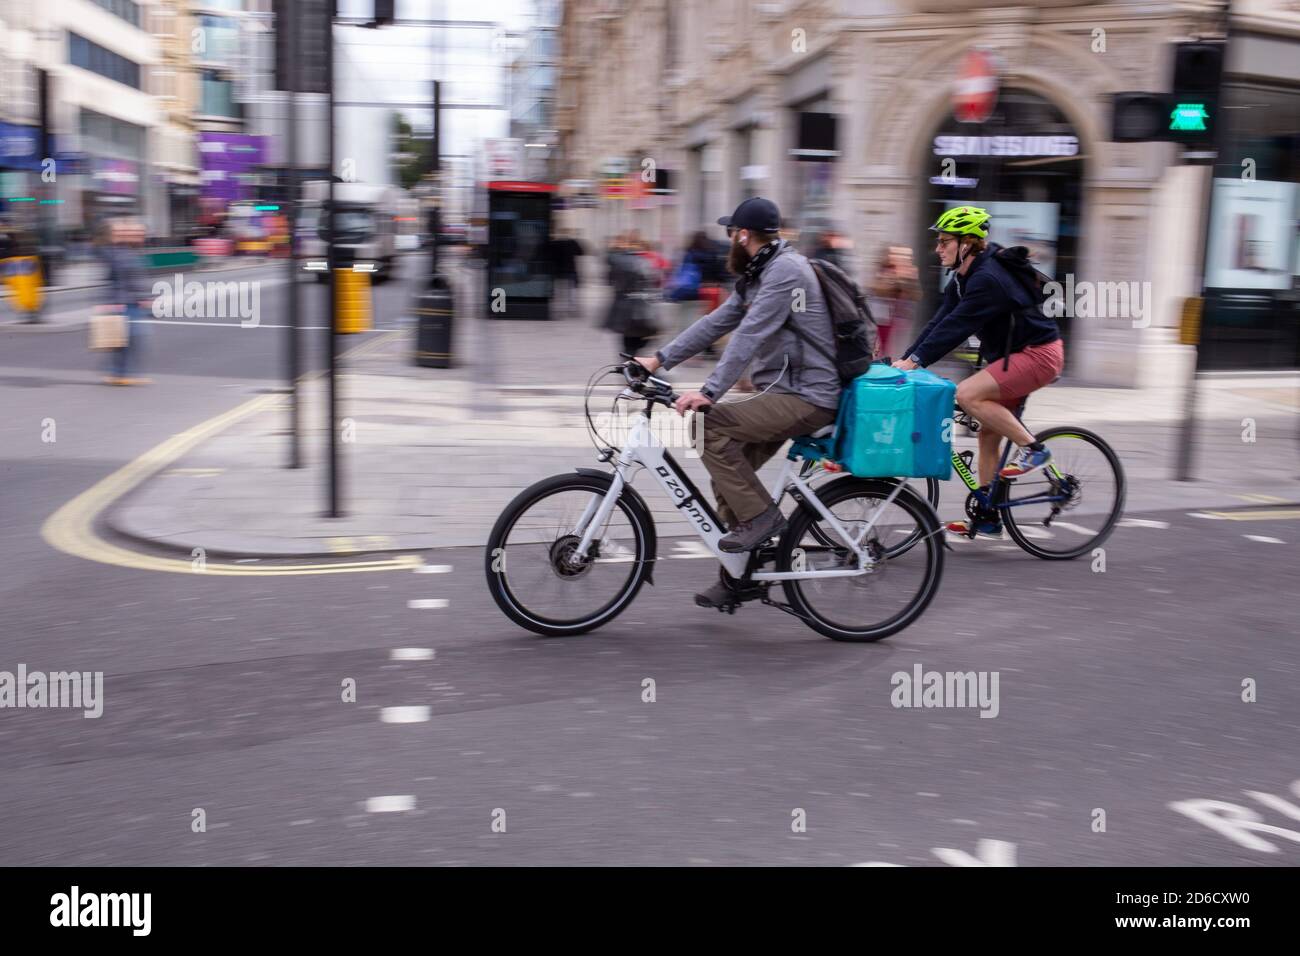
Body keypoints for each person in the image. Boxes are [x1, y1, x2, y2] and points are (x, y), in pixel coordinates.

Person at [633, 197, 840, 609]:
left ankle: (763, 520)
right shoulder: (760, 271)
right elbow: (717, 322)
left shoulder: (785, 272)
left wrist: (709, 393)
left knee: (707, 426)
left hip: (809, 396)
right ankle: (740, 576)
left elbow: (748, 336)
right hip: (782, 392)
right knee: (726, 472)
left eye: (732, 232)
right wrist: (659, 359)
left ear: (742, 235)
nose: (730, 238)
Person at [893, 205, 1063, 538]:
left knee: (967, 394)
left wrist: (915, 362)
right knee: (987, 434)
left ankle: (1035, 450)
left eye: (945, 242)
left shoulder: (987, 279)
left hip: (1039, 354)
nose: (938, 248)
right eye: (939, 242)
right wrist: (907, 358)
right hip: (1014, 357)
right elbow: (939, 321)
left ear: (968, 243)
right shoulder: (962, 278)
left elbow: (958, 326)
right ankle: (987, 517)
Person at [101, 218, 153, 386]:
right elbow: (122, 279)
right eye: (136, 232)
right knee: (128, 339)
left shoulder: (129, 251)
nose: (140, 235)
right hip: (124, 303)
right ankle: (120, 373)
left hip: (130, 302)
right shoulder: (118, 252)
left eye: (141, 232)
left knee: (127, 340)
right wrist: (142, 297)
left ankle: (119, 373)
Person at [602, 233, 659, 358]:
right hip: (645, 307)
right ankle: (637, 362)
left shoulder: (618, 262)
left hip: (625, 308)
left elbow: (609, 280)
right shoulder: (646, 262)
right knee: (642, 340)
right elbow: (656, 282)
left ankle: (631, 362)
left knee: (628, 343)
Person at [870, 244, 920, 359]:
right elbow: (878, 289)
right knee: (882, 348)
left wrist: (908, 279)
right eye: (895, 254)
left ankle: (891, 366)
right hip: (882, 316)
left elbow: (916, 294)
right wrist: (893, 280)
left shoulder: (908, 271)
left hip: (900, 317)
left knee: (895, 349)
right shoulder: (883, 271)